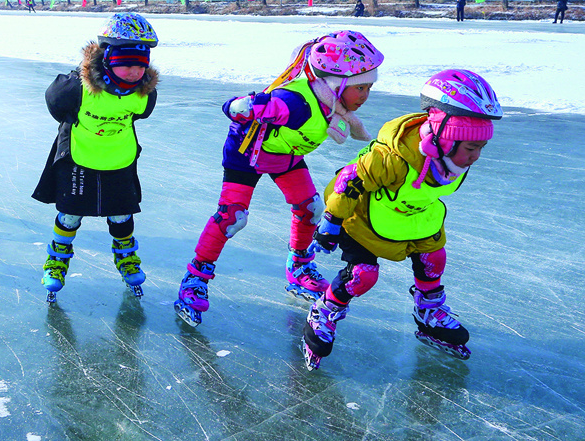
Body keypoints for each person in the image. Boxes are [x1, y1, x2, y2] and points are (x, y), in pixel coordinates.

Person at [174, 31, 384, 327]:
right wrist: (241, 107)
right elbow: (244, 106)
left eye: (368, 88)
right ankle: (195, 278)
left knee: (310, 208)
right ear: (337, 84)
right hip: (247, 154)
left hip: (285, 155)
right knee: (232, 217)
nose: (364, 97)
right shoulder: (295, 103)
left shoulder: (330, 103)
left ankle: (299, 267)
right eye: (360, 88)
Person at [302, 70, 502, 369]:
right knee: (363, 275)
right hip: (361, 215)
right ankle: (325, 309)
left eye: (480, 148)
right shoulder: (393, 157)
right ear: (442, 140)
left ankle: (428, 310)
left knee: (434, 257)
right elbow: (350, 180)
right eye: (472, 148)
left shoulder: (450, 158)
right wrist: (330, 223)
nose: (475, 157)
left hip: (413, 216)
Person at [32, 12, 160, 304]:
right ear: (108, 59)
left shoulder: (144, 93)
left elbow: (144, 111)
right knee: (70, 214)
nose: (133, 72)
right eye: (126, 64)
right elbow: (55, 102)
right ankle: (57, 259)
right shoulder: (76, 87)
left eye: (140, 65)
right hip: (80, 161)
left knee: (121, 214)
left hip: (119, 162)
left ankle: (126, 256)